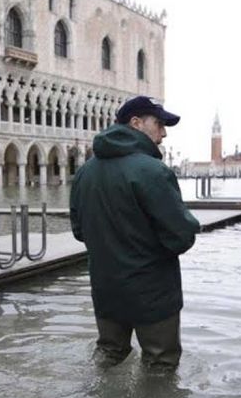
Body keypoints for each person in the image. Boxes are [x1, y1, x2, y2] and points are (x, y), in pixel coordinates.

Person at [70, 96, 201, 368]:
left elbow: (79, 231)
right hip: (151, 291)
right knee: (160, 362)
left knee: (109, 353)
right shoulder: (152, 171)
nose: (164, 133)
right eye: (160, 124)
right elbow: (181, 236)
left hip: (106, 287)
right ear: (136, 123)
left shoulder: (85, 172)